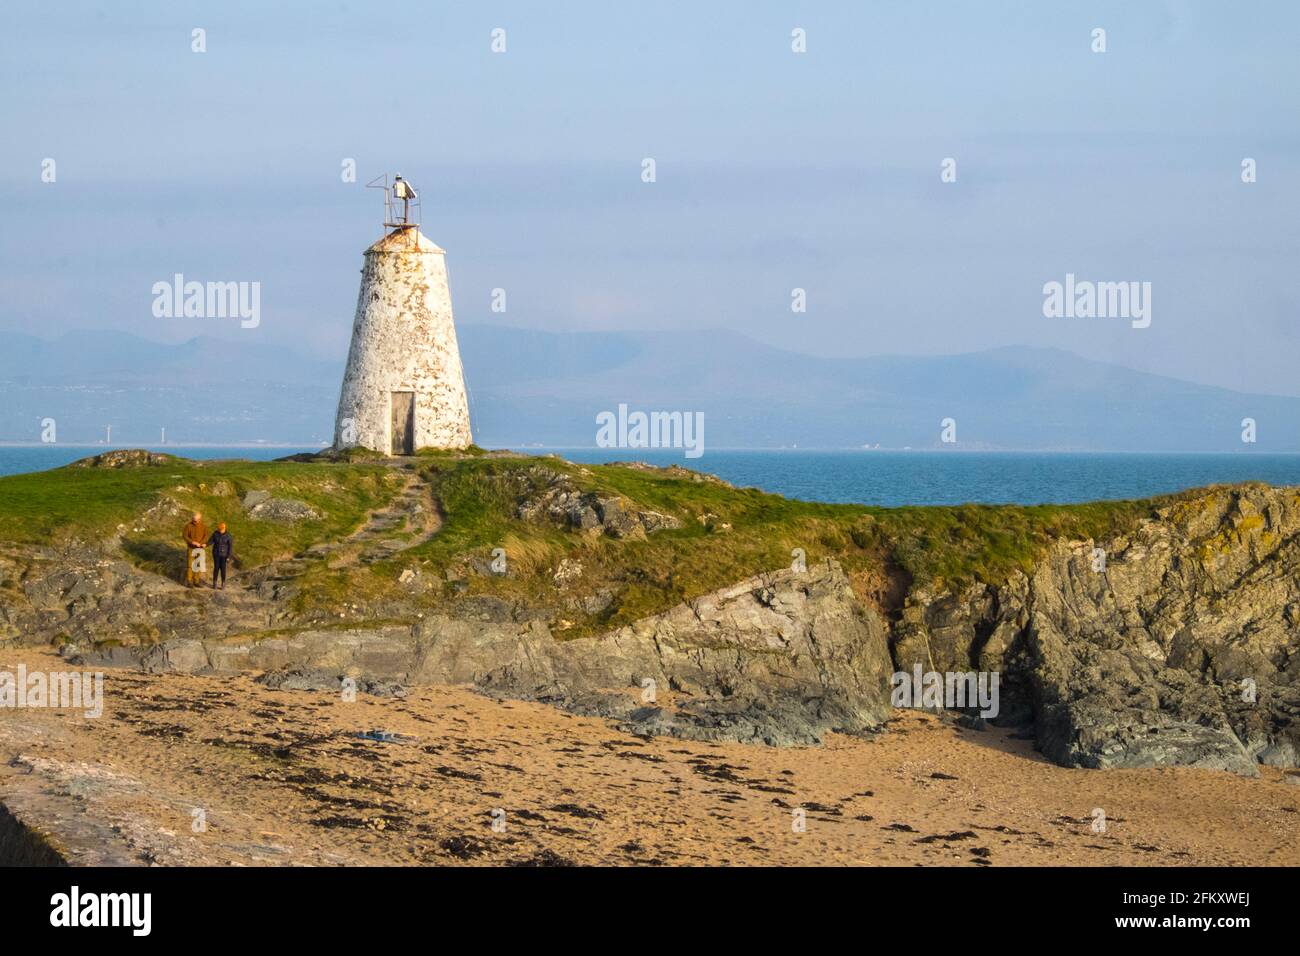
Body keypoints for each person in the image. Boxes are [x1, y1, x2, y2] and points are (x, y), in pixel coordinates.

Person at [181, 512, 208, 588]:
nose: (193, 521)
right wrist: (192, 542)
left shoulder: (204, 527)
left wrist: (201, 543)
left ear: (200, 520)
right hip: (191, 548)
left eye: (195, 520)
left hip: (200, 549)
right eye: (193, 519)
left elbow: (206, 536)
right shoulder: (188, 526)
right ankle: (189, 581)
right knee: (190, 565)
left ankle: (196, 581)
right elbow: (185, 536)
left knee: (198, 565)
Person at [208, 522, 234, 590]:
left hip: (224, 555)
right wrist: (205, 544)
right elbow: (210, 541)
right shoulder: (215, 533)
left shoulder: (228, 535)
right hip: (216, 554)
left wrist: (228, 556)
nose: (220, 530)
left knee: (223, 569)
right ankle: (215, 583)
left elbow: (230, 547)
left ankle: (223, 583)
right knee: (216, 568)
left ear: (224, 528)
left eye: (221, 529)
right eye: (219, 529)